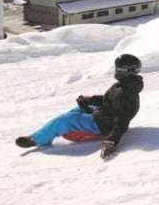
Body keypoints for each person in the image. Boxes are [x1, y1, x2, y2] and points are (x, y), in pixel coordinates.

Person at [15, 54, 144, 160]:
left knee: (67, 119)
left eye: (117, 68)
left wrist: (111, 143)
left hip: (103, 125)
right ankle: (40, 133)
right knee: (76, 110)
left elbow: (122, 120)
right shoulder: (125, 85)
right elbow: (108, 100)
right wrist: (91, 99)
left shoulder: (124, 93)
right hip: (104, 114)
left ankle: (39, 139)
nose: (115, 70)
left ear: (124, 71)